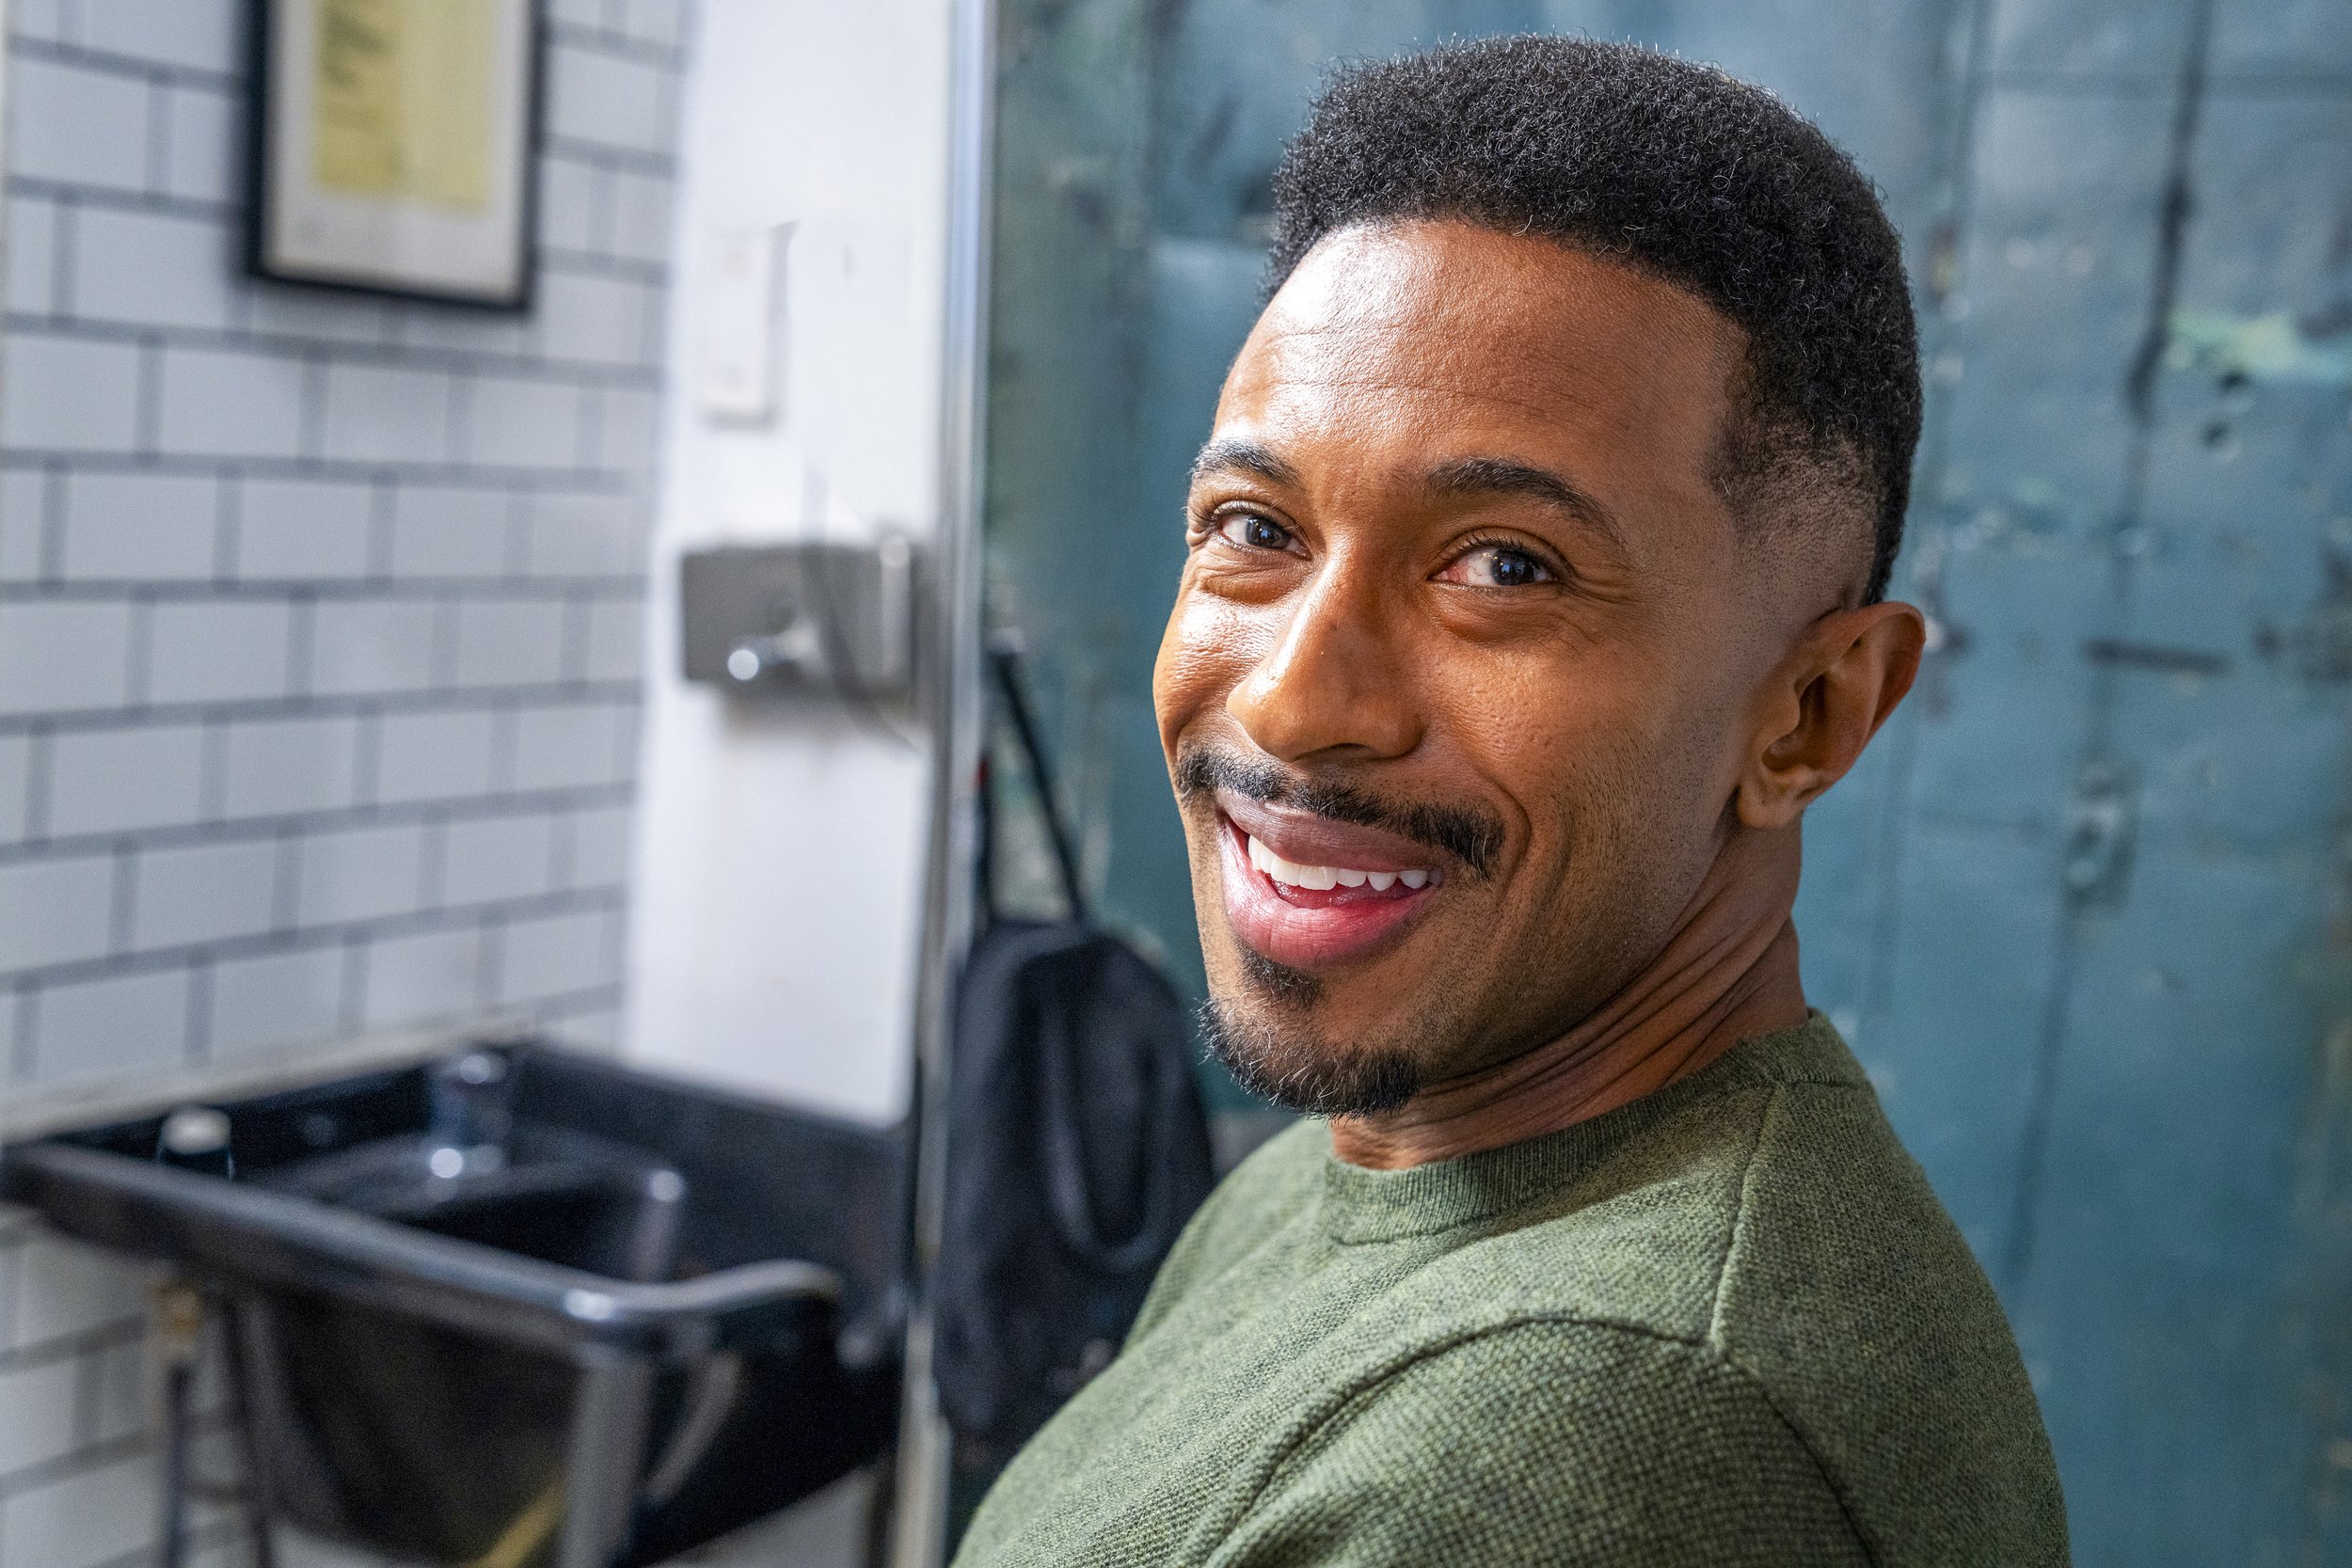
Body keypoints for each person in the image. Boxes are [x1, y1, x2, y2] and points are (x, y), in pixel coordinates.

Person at [953, 34, 2067, 1568]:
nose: (1294, 702)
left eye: (1504, 566)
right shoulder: (1380, 1152)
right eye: (1256, 528)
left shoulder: (1599, 1436)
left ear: (1809, 715)